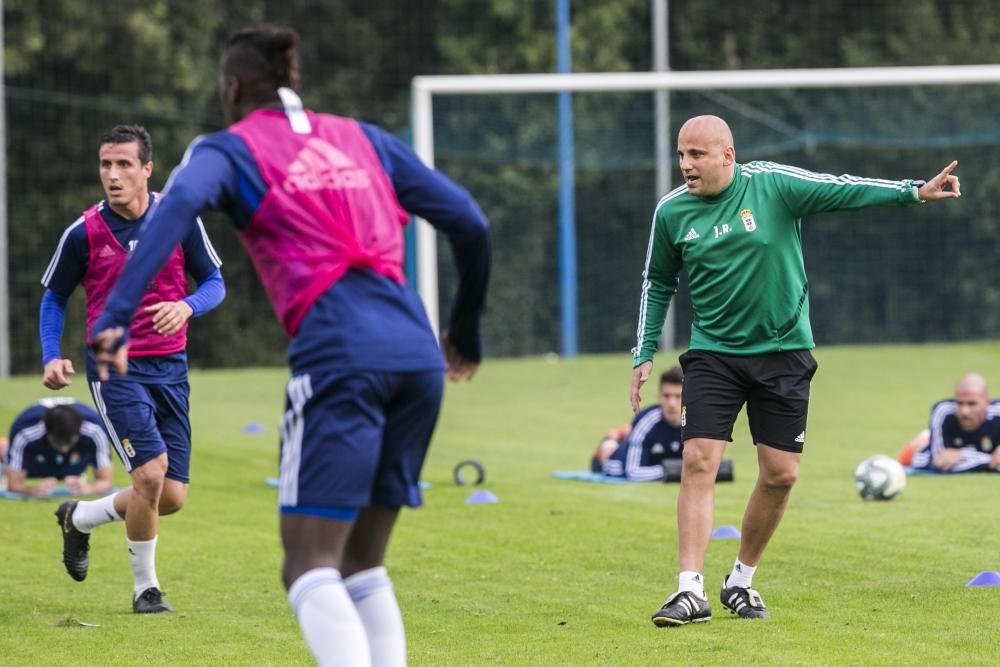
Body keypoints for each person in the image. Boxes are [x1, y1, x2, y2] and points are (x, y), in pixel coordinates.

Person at [90, 25, 490, 665]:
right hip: (418, 356)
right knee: (362, 562)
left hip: (339, 355)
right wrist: (465, 331)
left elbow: (177, 206)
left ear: (231, 87)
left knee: (306, 563)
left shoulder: (230, 149)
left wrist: (115, 312)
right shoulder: (363, 138)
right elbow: (471, 222)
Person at [629, 114, 961, 627]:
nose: (685, 165)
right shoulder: (672, 212)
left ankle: (740, 580)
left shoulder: (773, 187)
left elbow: (841, 190)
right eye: (680, 154)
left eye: (696, 155)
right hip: (714, 354)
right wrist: (644, 351)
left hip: (783, 354)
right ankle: (688, 590)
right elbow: (658, 282)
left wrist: (912, 191)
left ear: (727, 156)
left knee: (780, 476)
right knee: (698, 461)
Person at [41, 125, 226, 614]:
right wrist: (49, 353)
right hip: (113, 364)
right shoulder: (83, 232)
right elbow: (54, 297)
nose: (113, 175)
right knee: (149, 474)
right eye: (106, 164)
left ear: (148, 169)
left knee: (171, 495)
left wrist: (187, 307)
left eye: (124, 164)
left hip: (171, 365)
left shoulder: (179, 218)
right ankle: (146, 589)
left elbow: (214, 281)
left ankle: (79, 517)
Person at [4, 398, 113, 498]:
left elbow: (106, 482)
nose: (64, 449)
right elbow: (13, 485)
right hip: (37, 461)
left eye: (69, 442)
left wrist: (88, 489)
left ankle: (75, 473)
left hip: (75, 461)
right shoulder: (25, 432)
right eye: (58, 442)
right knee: (4, 449)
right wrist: (33, 490)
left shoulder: (96, 430)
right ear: (47, 432)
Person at [600, 366, 684, 481]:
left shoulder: (697, 423)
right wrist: (673, 470)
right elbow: (633, 472)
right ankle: (611, 440)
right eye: (666, 396)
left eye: (678, 396)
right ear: (658, 397)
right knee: (607, 457)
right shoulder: (648, 421)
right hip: (618, 463)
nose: (672, 403)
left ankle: (624, 433)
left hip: (653, 462)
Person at [907, 373, 1000, 472]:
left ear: (987, 402)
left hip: (964, 452)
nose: (965, 412)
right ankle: (921, 441)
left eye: (972, 404)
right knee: (914, 459)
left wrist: (960, 455)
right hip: (927, 454)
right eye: (959, 403)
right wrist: (989, 461)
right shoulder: (943, 411)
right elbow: (939, 462)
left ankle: (925, 437)